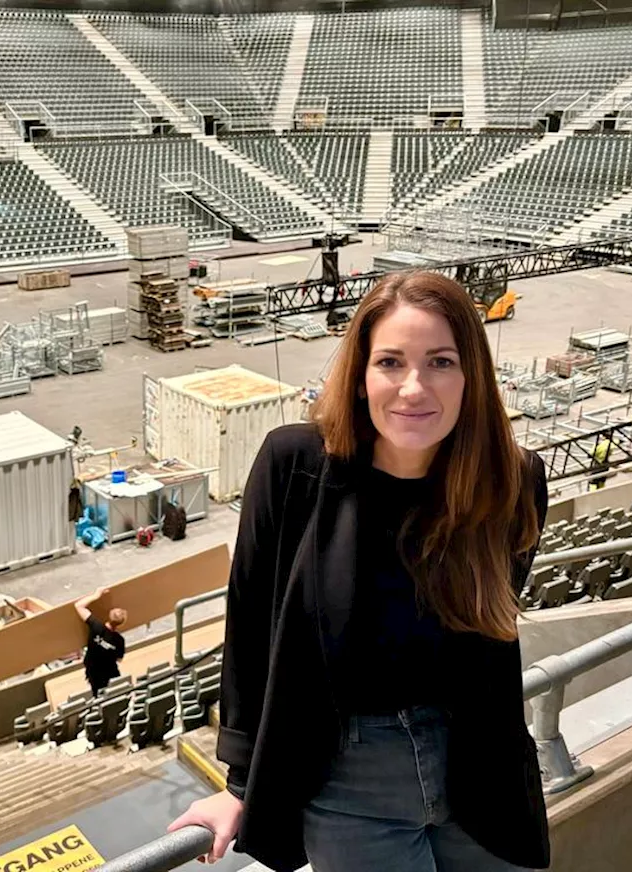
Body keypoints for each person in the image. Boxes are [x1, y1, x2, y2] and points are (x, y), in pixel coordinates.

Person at [168, 271, 549, 872]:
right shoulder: (294, 466)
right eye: (391, 362)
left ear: (472, 374)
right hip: (348, 783)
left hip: (480, 770)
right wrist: (240, 782)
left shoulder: (514, 480)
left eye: (441, 362)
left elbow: (488, 640)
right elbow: (249, 628)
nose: (414, 387)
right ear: (361, 375)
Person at [73, 587, 127, 696]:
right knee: (118, 694)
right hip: (110, 671)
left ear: (109, 616)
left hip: (93, 670)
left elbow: (78, 606)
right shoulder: (119, 640)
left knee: (98, 696)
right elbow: (119, 659)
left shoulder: (96, 626)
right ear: (122, 623)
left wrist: (96, 595)